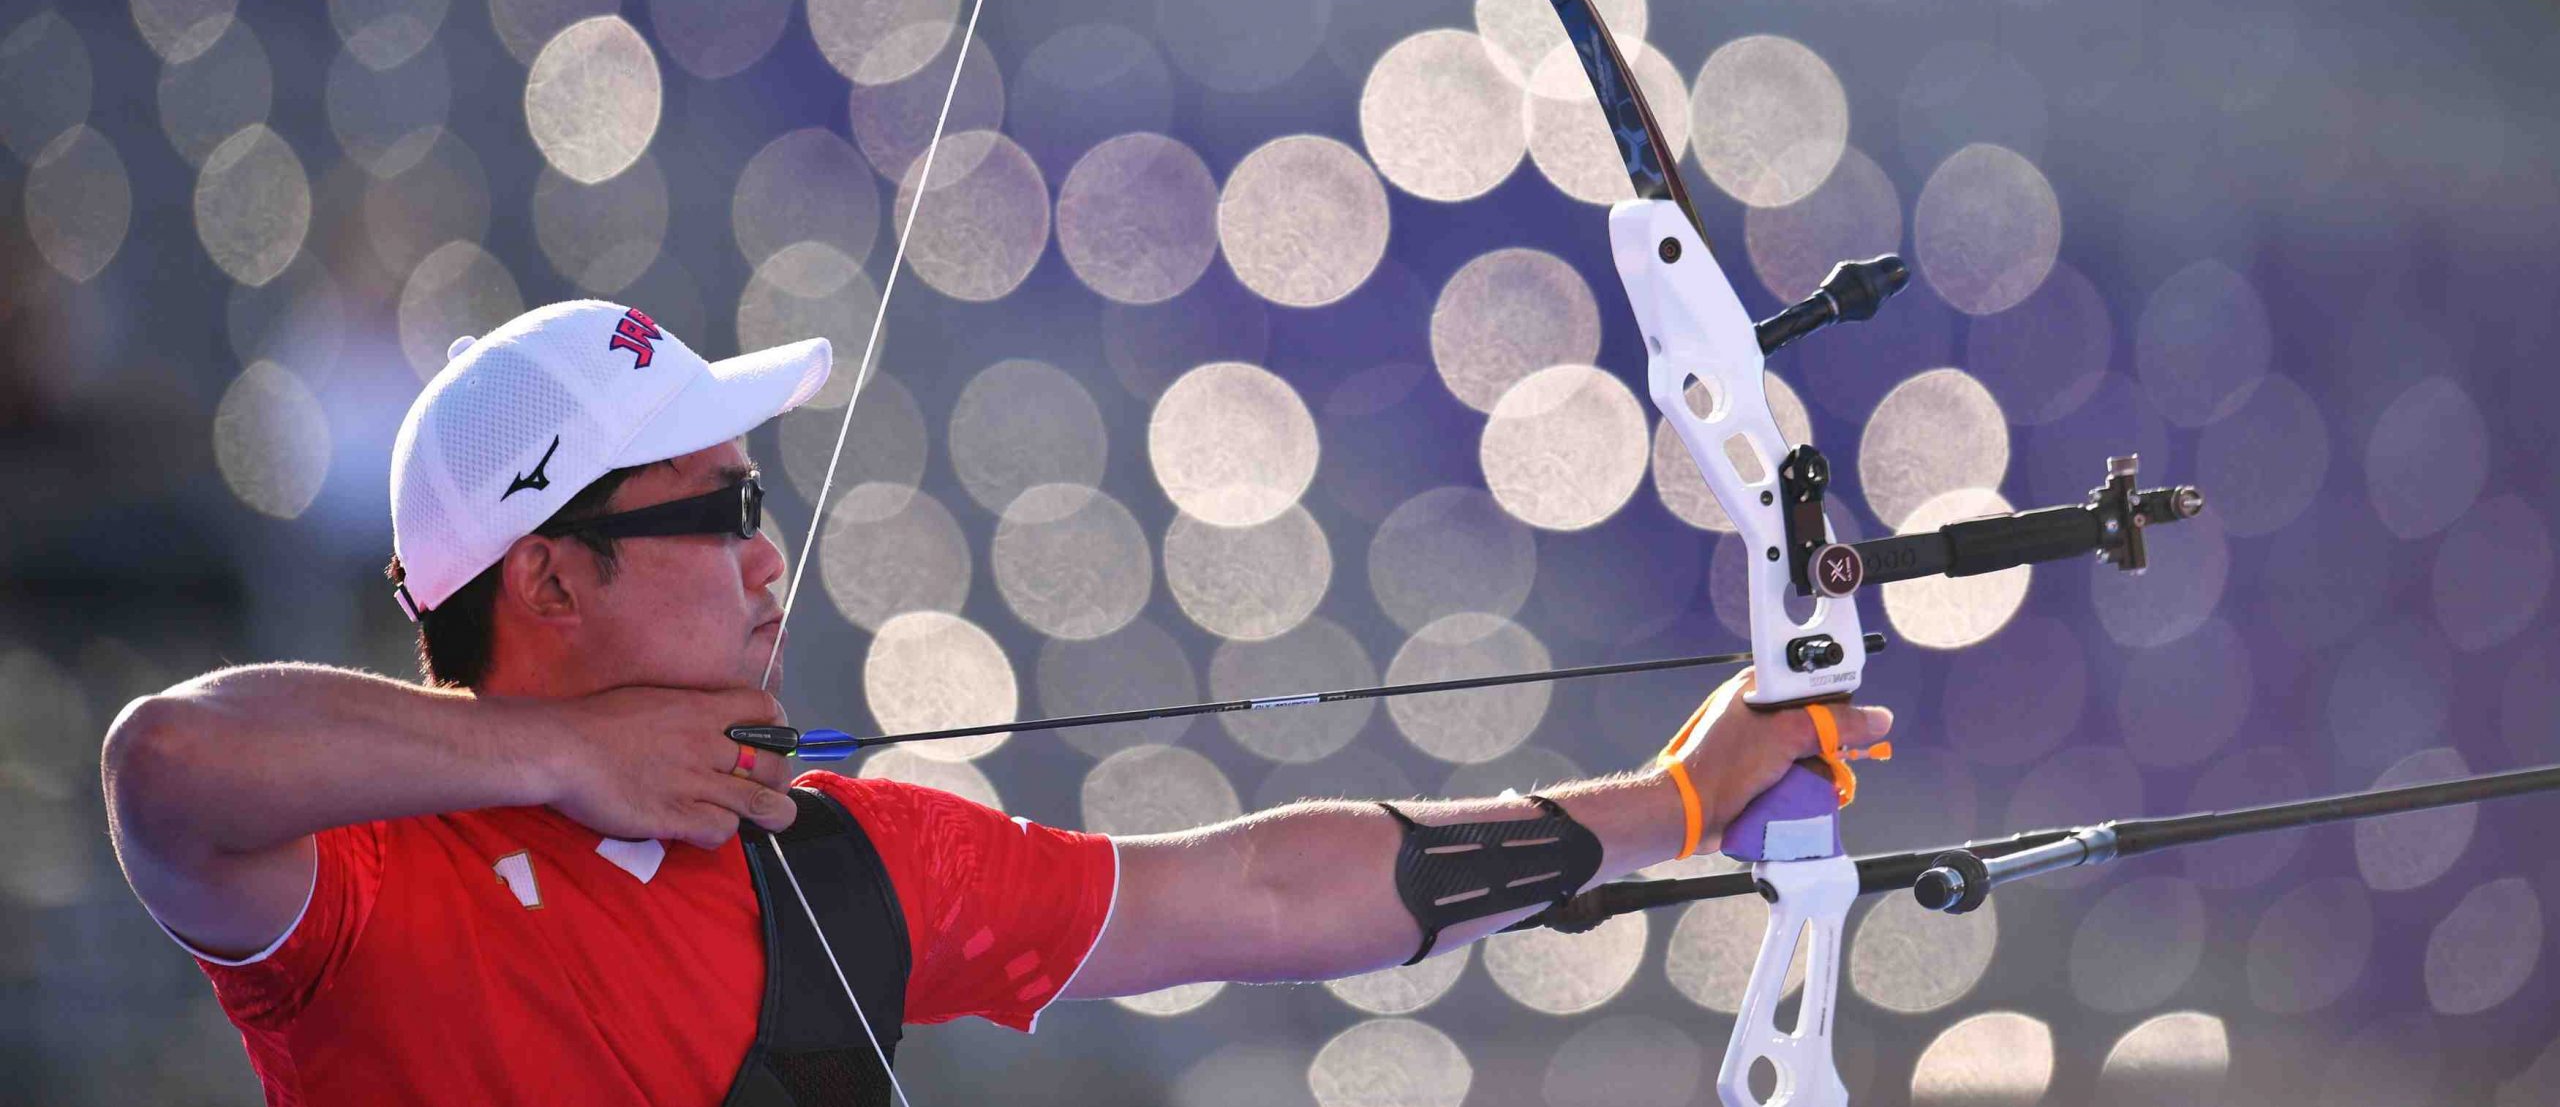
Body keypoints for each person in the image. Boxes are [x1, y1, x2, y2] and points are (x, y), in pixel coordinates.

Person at [102, 300, 1892, 1105]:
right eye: (718, 513)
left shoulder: (837, 861)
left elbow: (1264, 893)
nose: (768, 558)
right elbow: (166, 761)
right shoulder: (366, 882)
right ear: (551, 580)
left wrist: (1671, 805)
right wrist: (565, 755)